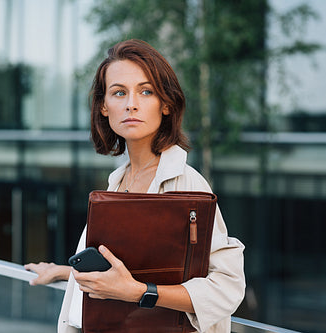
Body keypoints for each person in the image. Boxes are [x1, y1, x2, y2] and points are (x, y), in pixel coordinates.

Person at [25, 39, 245, 333]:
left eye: (146, 91)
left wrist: (141, 292)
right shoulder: (117, 183)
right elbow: (132, 268)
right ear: (104, 107)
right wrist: (64, 272)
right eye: (119, 93)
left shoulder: (186, 182)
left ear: (165, 104)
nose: (131, 103)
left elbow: (226, 287)